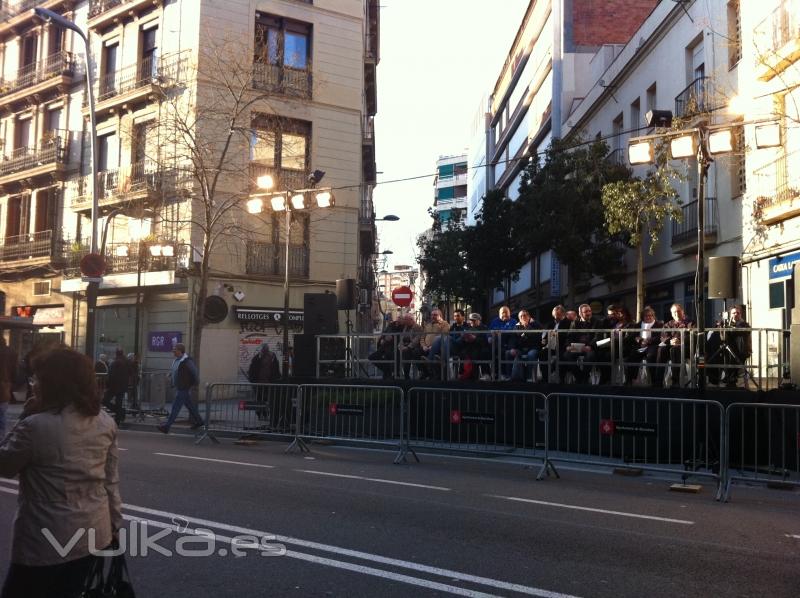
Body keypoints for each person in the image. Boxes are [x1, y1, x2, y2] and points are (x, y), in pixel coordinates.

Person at [0, 348, 122, 598]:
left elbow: (5, 465)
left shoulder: (35, 426)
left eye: (37, 378)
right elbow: (110, 481)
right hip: (93, 533)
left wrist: (25, 415)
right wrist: (114, 525)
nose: (34, 384)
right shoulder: (105, 421)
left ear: (52, 383)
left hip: (45, 539)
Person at [158, 343, 204, 433]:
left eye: (174, 349)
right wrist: (170, 375)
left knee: (175, 407)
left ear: (180, 351)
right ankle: (200, 421)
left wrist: (196, 383)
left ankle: (167, 426)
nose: (173, 351)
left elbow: (195, 372)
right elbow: (174, 371)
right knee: (190, 406)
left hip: (183, 387)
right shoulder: (176, 360)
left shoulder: (187, 361)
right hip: (179, 387)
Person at [657, 303, 694, 388]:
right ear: (671, 314)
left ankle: (675, 381)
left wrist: (681, 341)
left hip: (687, 347)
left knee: (675, 350)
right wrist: (670, 341)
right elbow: (663, 336)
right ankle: (658, 381)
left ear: (682, 311)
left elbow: (693, 335)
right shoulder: (668, 324)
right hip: (672, 346)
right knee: (661, 349)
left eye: (678, 311)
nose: (676, 314)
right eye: (674, 312)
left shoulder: (691, 322)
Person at [563, 304, 600, 384]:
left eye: (590, 311)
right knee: (566, 355)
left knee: (590, 356)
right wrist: (568, 346)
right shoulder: (575, 323)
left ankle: (584, 377)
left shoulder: (596, 322)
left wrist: (590, 346)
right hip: (577, 347)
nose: (589, 313)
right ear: (580, 313)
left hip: (590, 347)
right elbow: (569, 336)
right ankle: (579, 376)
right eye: (586, 311)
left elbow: (597, 336)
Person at [627, 306, 663, 386]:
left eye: (650, 315)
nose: (648, 317)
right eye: (646, 315)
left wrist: (649, 341)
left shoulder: (659, 324)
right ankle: (631, 380)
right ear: (643, 317)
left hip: (652, 346)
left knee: (651, 356)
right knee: (633, 355)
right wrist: (640, 340)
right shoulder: (638, 325)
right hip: (641, 346)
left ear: (653, 316)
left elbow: (659, 337)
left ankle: (654, 381)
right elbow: (633, 336)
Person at [248, 343, 282, 425]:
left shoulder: (272, 357)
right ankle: (261, 414)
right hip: (260, 382)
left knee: (267, 399)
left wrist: (277, 379)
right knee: (260, 399)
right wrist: (252, 380)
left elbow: (276, 370)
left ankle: (265, 414)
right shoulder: (258, 358)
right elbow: (252, 369)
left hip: (268, 382)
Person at [508, 310, 540, 381]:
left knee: (531, 355)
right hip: (520, 349)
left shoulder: (534, 324)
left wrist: (527, 327)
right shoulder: (517, 327)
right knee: (508, 353)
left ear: (528, 317)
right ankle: (509, 376)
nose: (523, 317)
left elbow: (536, 337)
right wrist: (512, 348)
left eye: (524, 315)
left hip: (532, 348)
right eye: (521, 316)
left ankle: (529, 377)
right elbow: (513, 339)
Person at [541, 305, 569, 383]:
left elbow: (566, 335)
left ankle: (561, 379)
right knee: (542, 354)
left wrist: (555, 335)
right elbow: (544, 335)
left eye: (558, 315)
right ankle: (545, 378)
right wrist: (544, 343)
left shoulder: (567, 322)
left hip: (562, 346)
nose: (556, 317)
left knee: (561, 356)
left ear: (563, 314)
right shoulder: (550, 324)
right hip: (550, 346)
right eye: (555, 315)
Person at [419, 308, 450, 379]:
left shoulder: (445, 324)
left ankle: (433, 374)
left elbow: (444, 336)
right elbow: (422, 338)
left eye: (435, 315)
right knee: (415, 352)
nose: (433, 316)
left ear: (440, 315)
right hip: (425, 347)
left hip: (437, 347)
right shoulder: (428, 325)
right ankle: (425, 372)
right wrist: (423, 346)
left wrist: (432, 346)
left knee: (436, 356)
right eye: (432, 315)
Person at [489, 306, 518, 379]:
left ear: (509, 313)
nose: (504, 314)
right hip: (496, 343)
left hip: (509, 344)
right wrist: (489, 337)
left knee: (504, 353)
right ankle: (495, 373)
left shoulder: (513, 321)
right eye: (503, 313)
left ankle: (504, 374)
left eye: (506, 313)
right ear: (499, 314)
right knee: (493, 352)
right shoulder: (494, 321)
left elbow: (514, 334)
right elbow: (489, 332)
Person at [103, 349, 129, 425]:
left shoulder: (114, 363)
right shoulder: (126, 362)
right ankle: (118, 418)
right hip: (122, 386)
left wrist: (107, 385)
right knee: (119, 403)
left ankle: (120, 412)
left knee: (105, 401)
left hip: (114, 386)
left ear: (116, 354)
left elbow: (111, 375)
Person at [0, 340, 18, 439]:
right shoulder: (10, 351)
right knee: (2, 414)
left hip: (4, 385)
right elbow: (15, 371)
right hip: (5, 386)